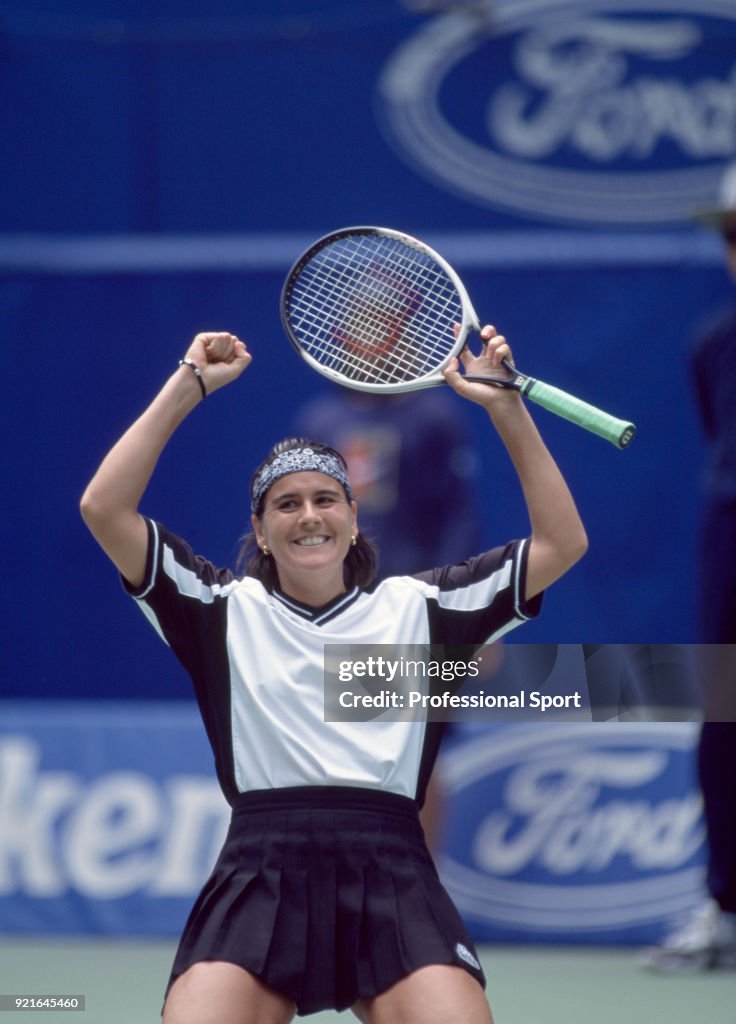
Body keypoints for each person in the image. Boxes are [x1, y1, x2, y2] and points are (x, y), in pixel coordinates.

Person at [80, 324, 588, 1024]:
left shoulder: (424, 608)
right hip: (259, 877)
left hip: (395, 877)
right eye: (286, 504)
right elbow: (103, 508)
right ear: (260, 530)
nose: (308, 516)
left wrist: (506, 408)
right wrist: (187, 384)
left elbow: (563, 543)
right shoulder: (218, 611)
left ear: (354, 518)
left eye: (326, 500)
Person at [639, 164, 736, 971]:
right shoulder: (714, 343)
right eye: (732, 237)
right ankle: (727, 905)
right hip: (730, 535)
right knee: (726, 716)